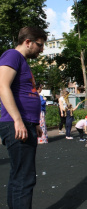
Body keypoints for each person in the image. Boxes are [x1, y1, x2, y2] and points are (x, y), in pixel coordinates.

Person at [0, 27, 46, 209]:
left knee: (19, 175)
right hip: (16, 123)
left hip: (24, 123)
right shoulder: (12, 55)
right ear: (28, 42)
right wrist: (18, 120)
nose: (42, 50)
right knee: (24, 178)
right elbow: (3, 86)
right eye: (40, 45)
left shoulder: (21, 61)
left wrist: (33, 123)